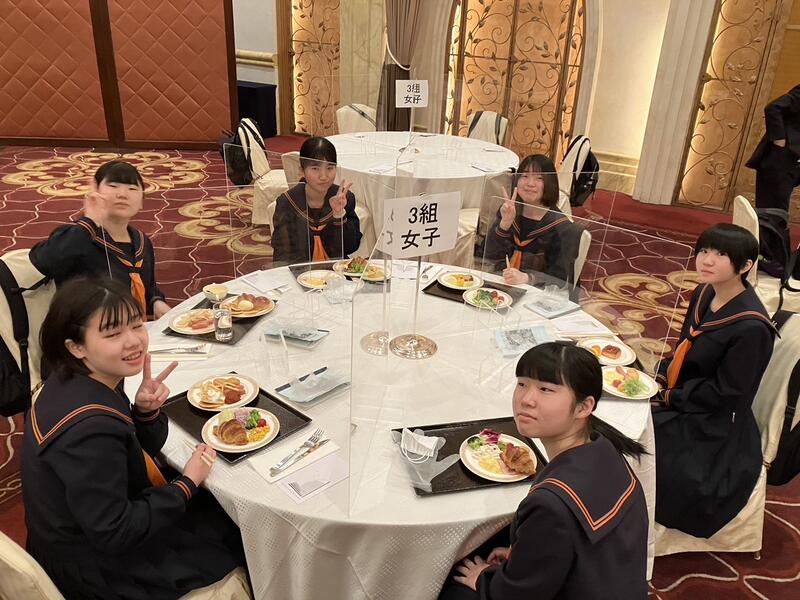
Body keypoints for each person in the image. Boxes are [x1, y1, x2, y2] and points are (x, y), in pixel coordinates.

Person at [21, 277, 246, 599]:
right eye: (113, 333)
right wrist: (187, 482)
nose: (134, 341)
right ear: (76, 346)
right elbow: (115, 532)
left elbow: (124, 453)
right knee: (235, 532)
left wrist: (143, 412)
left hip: (82, 532)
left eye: (137, 325)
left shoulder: (76, 379)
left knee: (217, 511)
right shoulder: (88, 429)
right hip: (99, 569)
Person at [440, 342, 648, 600]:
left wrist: (484, 578)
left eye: (546, 389)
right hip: (611, 582)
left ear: (584, 407)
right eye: (522, 384)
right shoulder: (606, 449)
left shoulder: (550, 504)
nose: (526, 400)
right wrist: (525, 554)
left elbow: (517, 595)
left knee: (452, 584)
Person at [652, 223, 776, 538]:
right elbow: (683, 348)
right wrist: (663, 376)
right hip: (686, 393)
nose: (706, 260)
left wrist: (669, 397)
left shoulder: (751, 327)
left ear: (744, 266)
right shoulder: (705, 292)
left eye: (721, 255)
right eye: (704, 251)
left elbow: (728, 393)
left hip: (713, 419)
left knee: (641, 436)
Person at [29, 160, 170, 319]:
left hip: (132, 326)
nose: (122, 194)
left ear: (142, 202)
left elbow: (148, 287)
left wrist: (156, 302)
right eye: (113, 186)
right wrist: (91, 220)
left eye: (132, 188)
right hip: (86, 327)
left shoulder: (141, 241)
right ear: (95, 191)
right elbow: (43, 262)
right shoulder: (78, 236)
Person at [484, 154, 574, 287]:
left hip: (538, 292)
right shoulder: (509, 210)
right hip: (501, 283)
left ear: (550, 183)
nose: (530, 184)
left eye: (539, 178)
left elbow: (560, 278)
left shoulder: (561, 227)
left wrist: (527, 278)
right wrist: (504, 225)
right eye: (525, 176)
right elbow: (489, 255)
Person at [270, 136, 362, 265]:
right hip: (300, 271)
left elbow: (351, 246)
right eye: (315, 168)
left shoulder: (344, 198)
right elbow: (282, 253)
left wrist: (339, 214)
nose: (323, 176)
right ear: (302, 170)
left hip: (336, 271)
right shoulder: (288, 202)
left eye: (330, 168)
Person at [746, 83, 800, 214]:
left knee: (778, 211)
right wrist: (779, 140)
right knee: (772, 211)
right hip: (781, 157)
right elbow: (773, 108)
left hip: (794, 162)